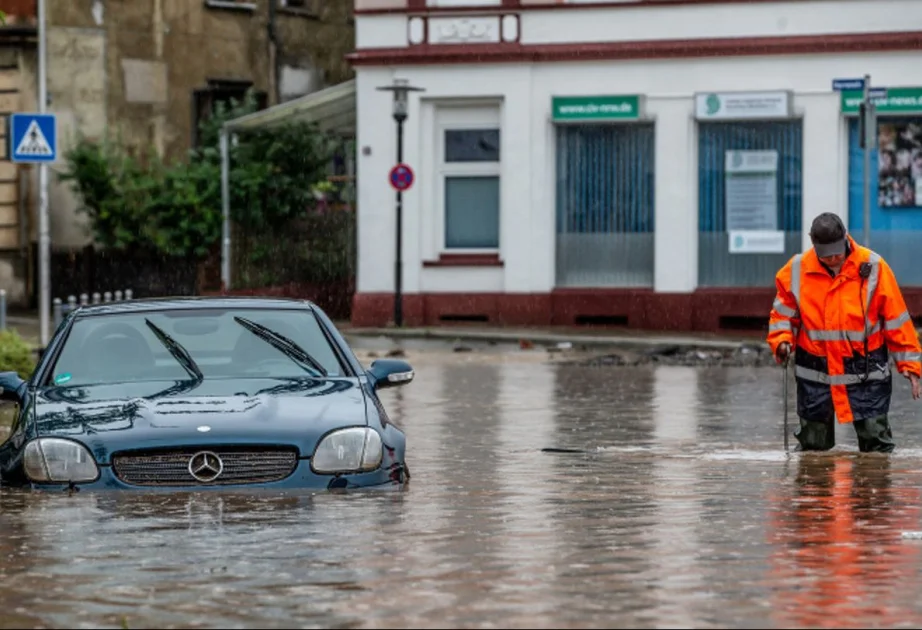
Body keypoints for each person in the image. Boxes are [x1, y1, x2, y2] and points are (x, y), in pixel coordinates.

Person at [766, 212, 922, 452]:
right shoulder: (796, 270)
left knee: (876, 444)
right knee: (813, 448)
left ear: (846, 238)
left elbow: (896, 321)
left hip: (866, 371)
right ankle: (813, 488)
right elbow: (782, 316)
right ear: (815, 246)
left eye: (837, 252)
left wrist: (911, 367)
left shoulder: (874, 267)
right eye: (826, 254)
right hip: (815, 372)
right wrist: (781, 341)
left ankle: (875, 487)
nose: (833, 258)